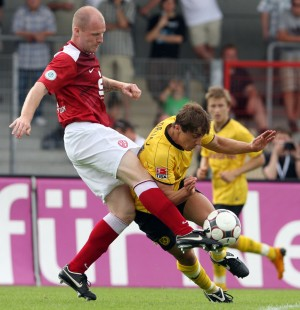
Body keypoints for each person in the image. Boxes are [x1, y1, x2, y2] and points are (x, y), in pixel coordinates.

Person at [9, 5, 209, 300]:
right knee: (141, 171)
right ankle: (182, 230)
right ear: (77, 31)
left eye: (102, 33)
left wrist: (120, 86)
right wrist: (26, 116)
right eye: (96, 34)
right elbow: (40, 86)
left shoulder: (86, 56)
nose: (101, 39)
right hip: (86, 132)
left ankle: (75, 269)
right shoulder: (67, 57)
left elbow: (95, 81)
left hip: (88, 137)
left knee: (124, 211)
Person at [58, 101, 276, 301]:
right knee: (188, 258)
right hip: (150, 209)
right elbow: (165, 199)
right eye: (194, 139)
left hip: (176, 187)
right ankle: (212, 291)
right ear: (178, 129)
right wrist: (187, 191)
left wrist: (250, 147)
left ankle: (220, 256)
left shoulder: (192, 125)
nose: (198, 143)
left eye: (201, 137)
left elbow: (216, 141)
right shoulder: (159, 154)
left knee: (214, 220)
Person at [196, 86, 286, 290]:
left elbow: (259, 159)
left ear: (228, 107)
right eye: (213, 106)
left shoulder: (239, 131)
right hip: (218, 191)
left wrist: (236, 172)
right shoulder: (208, 128)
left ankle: (221, 289)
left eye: (221, 105)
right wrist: (202, 169)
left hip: (235, 193)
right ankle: (273, 253)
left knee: (215, 239)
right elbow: (205, 154)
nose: (217, 110)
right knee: (223, 239)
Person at [12, 0, 57, 126]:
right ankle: (21, 115)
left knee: (40, 89)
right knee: (21, 89)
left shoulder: (46, 13)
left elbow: (52, 30)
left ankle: (37, 115)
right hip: (23, 59)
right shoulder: (20, 12)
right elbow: (16, 30)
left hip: (40, 59)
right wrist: (33, 35)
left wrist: (41, 35)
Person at [98, 0, 136, 121]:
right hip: (106, 51)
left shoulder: (129, 5)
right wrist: (118, 26)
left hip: (124, 51)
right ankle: (102, 117)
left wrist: (118, 6)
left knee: (126, 86)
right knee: (103, 86)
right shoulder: (102, 5)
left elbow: (124, 23)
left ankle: (127, 119)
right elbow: (100, 27)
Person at [145, 0, 186, 109]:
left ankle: (164, 110)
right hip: (155, 58)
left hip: (171, 59)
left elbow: (179, 38)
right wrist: (160, 25)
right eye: (166, 3)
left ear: (175, 5)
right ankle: (161, 109)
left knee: (170, 85)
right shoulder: (155, 19)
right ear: (162, 5)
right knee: (153, 85)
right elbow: (149, 37)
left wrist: (160, 36)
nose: (168, 5)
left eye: (171, 3)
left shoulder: (179, 19)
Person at [222, 44, 269, 134]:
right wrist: (227, 96)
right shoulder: (218, 70)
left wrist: (252, 98)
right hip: (226, 102)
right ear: (223, 57)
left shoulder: (241, 71)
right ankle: (225, 133)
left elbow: (250, 88)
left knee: (256, 100)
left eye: (234, 56)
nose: (232, 58)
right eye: (229, 56)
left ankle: (264, 132)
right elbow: (214, 88)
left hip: (241, 103)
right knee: (223, 101)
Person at [277, 0, 300, 133]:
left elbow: (286, 36)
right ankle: (291, 119)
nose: (296, 8)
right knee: (289, 88)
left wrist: (290, 38)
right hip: (287, 55)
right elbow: (281, 36)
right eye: (295, 5)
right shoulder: (284, 14)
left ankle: (296, 119)